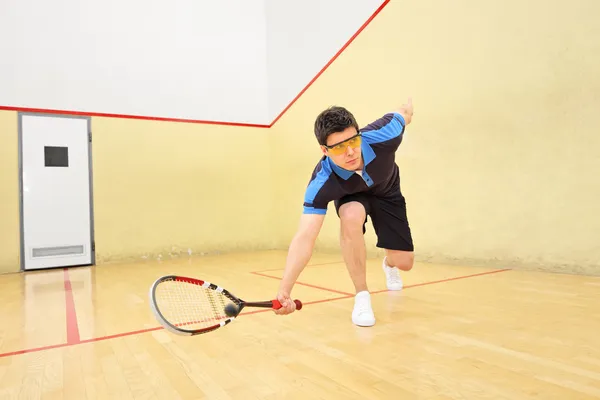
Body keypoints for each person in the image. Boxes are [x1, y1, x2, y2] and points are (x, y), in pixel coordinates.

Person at [273, 98, 415, 327]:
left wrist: (408, 106)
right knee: (350, 215)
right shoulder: (321, 182)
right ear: (324, 150)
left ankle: (389, 264)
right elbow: (305, 238)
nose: (349, 152)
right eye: (338, 147)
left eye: (353, 141)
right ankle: (362, 297)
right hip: (352, 198)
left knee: (405, 262)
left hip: (388, 192)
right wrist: (284, 291)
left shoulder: (385, 133)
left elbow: (403, 113)